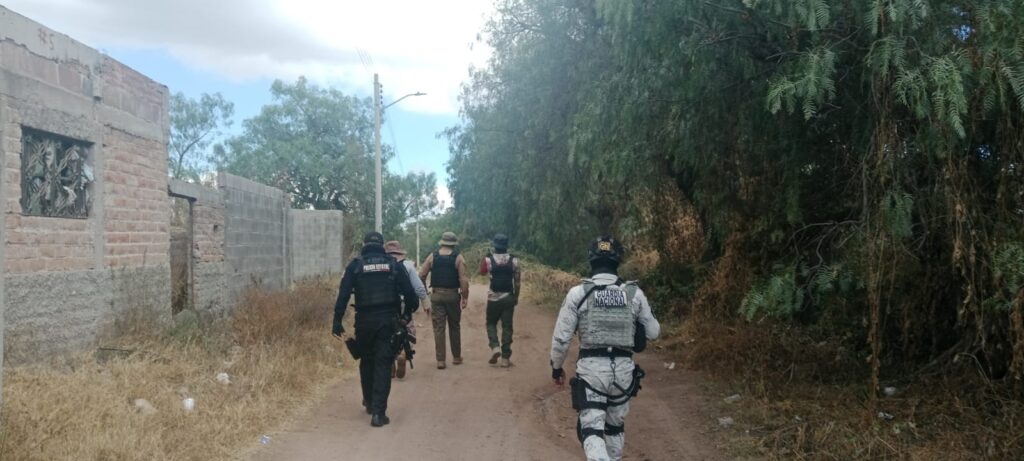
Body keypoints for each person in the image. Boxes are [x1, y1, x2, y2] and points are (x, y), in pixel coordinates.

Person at [549, 236, 660, 461]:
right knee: (615, 427)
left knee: (591, 429)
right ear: (618, 261)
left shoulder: (578, 294)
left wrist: (556, 368)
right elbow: (653, 332)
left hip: (592, 371)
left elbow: (561, 340)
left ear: (591, 260)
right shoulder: (634, 294)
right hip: (624, 372)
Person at [332, 231, 419, 427]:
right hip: (387, 322)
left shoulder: (355, 265)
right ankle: (379, 414)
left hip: (364, 322)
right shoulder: (393, 265)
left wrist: (337, 321)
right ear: (382, 246)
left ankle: (370, 403)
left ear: (364, 245)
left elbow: (343, 295)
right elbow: (411, 296)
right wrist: (406, 316)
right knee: (383, 363)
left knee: (366, 360)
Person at [418, 231, 470, 369]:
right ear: (453, 244)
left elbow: (421, 275)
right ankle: (456, 357)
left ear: (442, 243)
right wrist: (464, 296)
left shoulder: (432, 256)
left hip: (436, 296)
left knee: (439, 328)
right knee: (454, 326)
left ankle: (440, 360)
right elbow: (463, 280)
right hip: (453, 296)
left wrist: (425, 294)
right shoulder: (458, 257)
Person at [385, 240, 428, 378]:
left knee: (388, 331)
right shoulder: (408, 266)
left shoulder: (381, 265)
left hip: (386, 304)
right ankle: (403, 353)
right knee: (406, 328)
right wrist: (426, 303)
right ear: (400, 253)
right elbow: (419, 287)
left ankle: (390, 364)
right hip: (404, 303)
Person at [479, 233, 521, 367]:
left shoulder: (488, 260)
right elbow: (517, 281)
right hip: (508, 297)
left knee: (491, 323)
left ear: (494, 245)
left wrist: (485, 258)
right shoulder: (514, 261)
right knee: (507, 327)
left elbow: (482, 272)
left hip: (493, 298)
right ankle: (505, 359)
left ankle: (495, 346)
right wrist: (516, 296)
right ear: (506, 246)